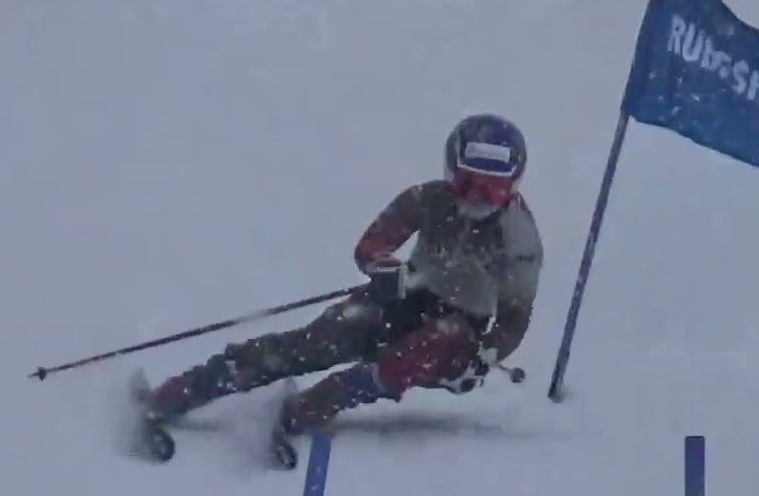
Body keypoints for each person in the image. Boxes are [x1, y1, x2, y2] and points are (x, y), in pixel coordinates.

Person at [142, 112, 544, 439]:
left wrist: (484, 355)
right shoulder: (428, 199)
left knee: (411, 354)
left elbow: (514, 319)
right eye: (468, 183)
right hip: (407, 295)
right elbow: (372, 245)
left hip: (461, 328)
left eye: (493, 190)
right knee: (317, 341)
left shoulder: (520, 240)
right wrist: (384, 270)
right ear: (450, 171)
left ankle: (315, 405)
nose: (477, 199)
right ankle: (189, 388)